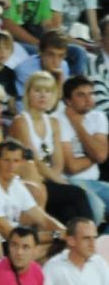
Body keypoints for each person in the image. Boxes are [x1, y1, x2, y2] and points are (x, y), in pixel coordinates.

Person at [9, 70, 93, 226]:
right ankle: (90, 236)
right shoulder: (20, 121)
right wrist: (61, 182)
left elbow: (59, 163)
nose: (43, 95)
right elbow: (35, 160)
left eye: (48, 91)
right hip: (28, 183)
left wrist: (56, 181)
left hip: (49, 181)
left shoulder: (53, 123)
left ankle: (76, 240)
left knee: (68, 212)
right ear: (28, 93)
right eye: (38, 90)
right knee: (78, 194)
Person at [57, 75, 109, 226]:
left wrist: (78, 125)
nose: (88, 99)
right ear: (68, 100)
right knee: (97, 210)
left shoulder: (98, 117)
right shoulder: (58, 120)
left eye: (91, 94)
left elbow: (102, 155)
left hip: (94, 181)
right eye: (81, 95)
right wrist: (95, 154)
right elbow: (71, 167)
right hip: (70, 182)